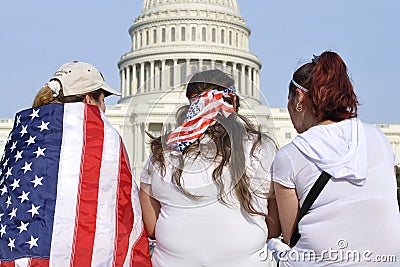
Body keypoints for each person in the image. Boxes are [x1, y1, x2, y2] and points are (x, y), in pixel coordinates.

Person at [0, 61, 151, 266]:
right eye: (103, 99)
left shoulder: (22, 135)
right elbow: (122, 204)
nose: (105, 108)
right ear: (89, 99)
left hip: (19, 251)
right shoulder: (102, 137)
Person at [140, 69, 280, 266]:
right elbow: (274, 226)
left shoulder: (162, 153)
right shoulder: (261, 148)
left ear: (191, 105)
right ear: (234, 104)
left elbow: (152, 226)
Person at [271, 51, 400, 266]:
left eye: (289, 100)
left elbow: (291, 235)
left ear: (299, 99)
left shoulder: (290, 156)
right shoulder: (378, 138)